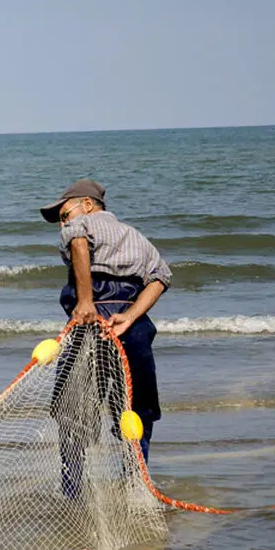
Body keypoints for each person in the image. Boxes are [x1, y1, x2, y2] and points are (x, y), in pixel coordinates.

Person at [39, 179, 171, 492]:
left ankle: (71, 490)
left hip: (93, 325)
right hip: (131, 328)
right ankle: (135, 483)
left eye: (64, 213)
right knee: (136, 411)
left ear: (87, 204)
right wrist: (132, 315)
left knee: (72, 408)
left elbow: (78, 243)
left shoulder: (80, 224)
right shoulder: (136, 237)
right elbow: (161, 276)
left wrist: (85, 302)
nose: (64, 220)